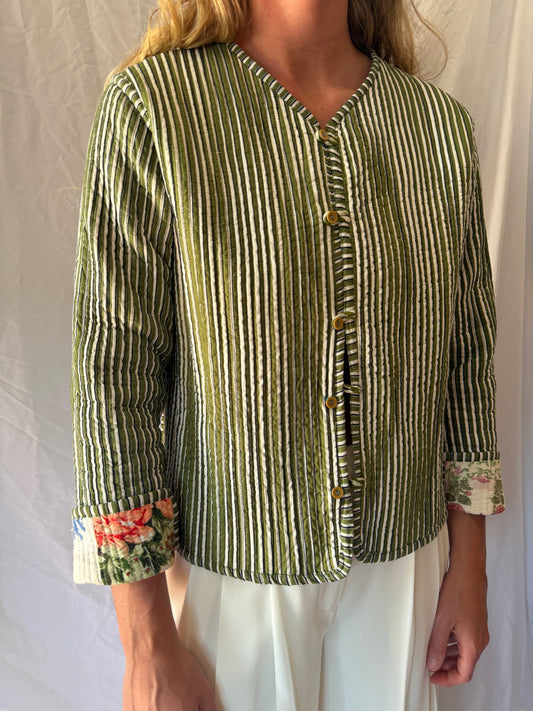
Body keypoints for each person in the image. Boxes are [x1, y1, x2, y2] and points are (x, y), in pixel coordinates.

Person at [70, 1, 505, 709]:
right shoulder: (155, 108)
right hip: (232, 574)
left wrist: (470, 566)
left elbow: (464, 359)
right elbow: (113, 378)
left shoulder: (437, 129)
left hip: (404, 570)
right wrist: (145, 641)